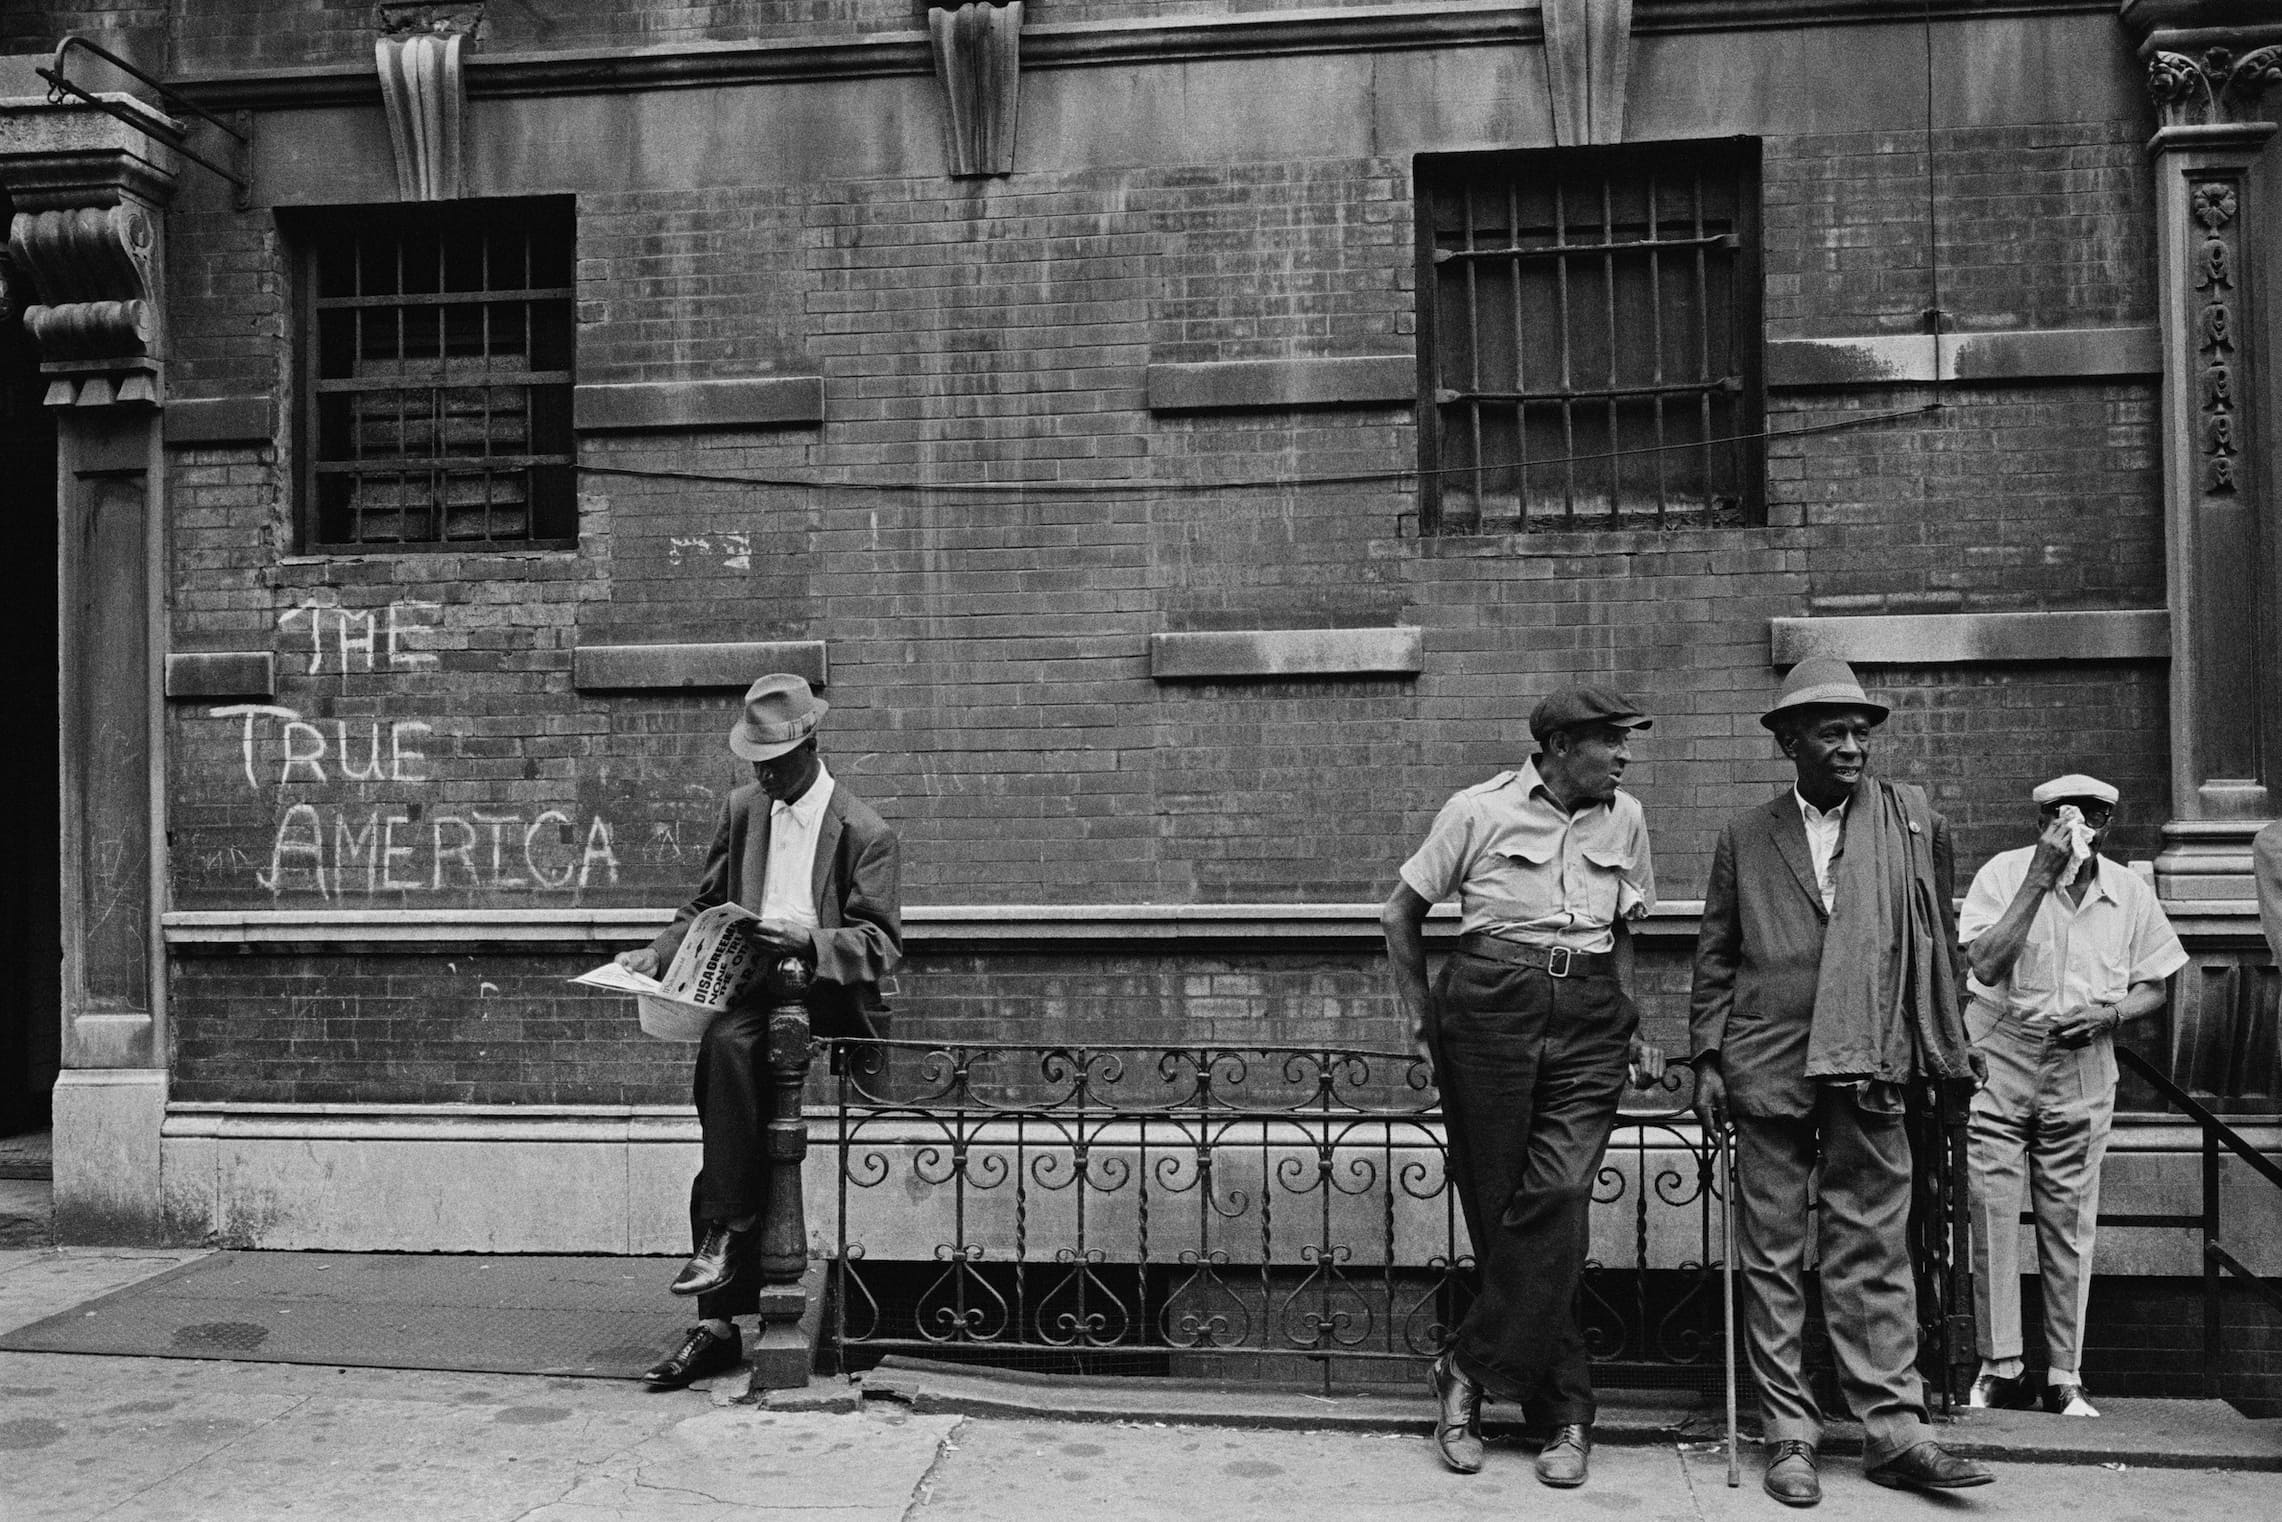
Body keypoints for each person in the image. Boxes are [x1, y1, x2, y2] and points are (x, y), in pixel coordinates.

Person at [1688, 657, 1991, 1506]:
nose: (1853, 744)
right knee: (1774, 1253)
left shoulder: (1912, 823)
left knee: (1873, 1246)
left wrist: (1944, 1043)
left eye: (1861, 730)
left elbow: (1937, 940)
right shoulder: (1745, 835)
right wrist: (1708, 1057)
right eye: (1832, 730)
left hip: (1874, 1055)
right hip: (1767, 1061)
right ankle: (1789, 1434)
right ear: (1788, 741)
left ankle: (1894, 1430)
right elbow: (1716, 955)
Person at [1381, 685, 1666, 1489]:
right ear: (1563, 744)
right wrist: (1419, 1026)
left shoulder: (1629, 818)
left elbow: (1625, 932)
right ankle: (1567, 1413)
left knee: (1561, 1194)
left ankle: (1466, 1371)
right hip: (1489, 1012)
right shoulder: (1476, 810)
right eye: (1612, 741)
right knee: (1507, 1211)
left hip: (1589, 1016)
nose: (1625, 756)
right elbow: (1399, 914)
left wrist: (1633, 1020)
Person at [616, 673, 902, 1391]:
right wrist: (656, 951)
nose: (762, 775)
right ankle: (718, 1298)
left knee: (730, 1055)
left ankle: (720, 1254)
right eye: (754, 762)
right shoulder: (746, 809)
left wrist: (806, 942)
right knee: (727, 1101)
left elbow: (880, 943)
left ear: (809, 745)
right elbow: (706, 903)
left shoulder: (865, 830)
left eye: (772, 763)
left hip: (820, 993)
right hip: (750, 981)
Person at [1959, 775, 2185, 1417]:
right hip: (2000, 1045)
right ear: (2039, 821)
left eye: (2092, 816)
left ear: (2108, 822)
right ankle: (1998, 1366)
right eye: (2060, 816)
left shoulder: (2129, 892)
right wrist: (2040, 877)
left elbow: (2156, 984)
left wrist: (2111, 1017)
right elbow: (1985, 966)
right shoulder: (2004, 875)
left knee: (2071, 1218)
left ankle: (2065, 1374)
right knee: (1992, 1205)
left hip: (2085, 1053)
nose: (2076, 827)